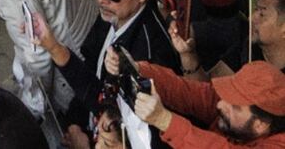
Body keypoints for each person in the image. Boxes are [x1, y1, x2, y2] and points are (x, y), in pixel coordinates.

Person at [31, 0, 178, 137]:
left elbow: (119, 116)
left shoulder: (149, 53)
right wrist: (76, 124)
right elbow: (92, 68)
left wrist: (55, 49)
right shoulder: (113, 15)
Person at [115, 54, 285, 148]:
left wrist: (165, 121)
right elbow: (185, 91)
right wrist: (138, 70)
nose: (220, 104)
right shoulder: (225, 106)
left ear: (260, 125)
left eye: (234, 105)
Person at [171, 0, 285, 78]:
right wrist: (187, 54)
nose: (251, 18)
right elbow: (209, 90)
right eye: (256, 10)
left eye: (262, 14)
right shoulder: (247, 48)